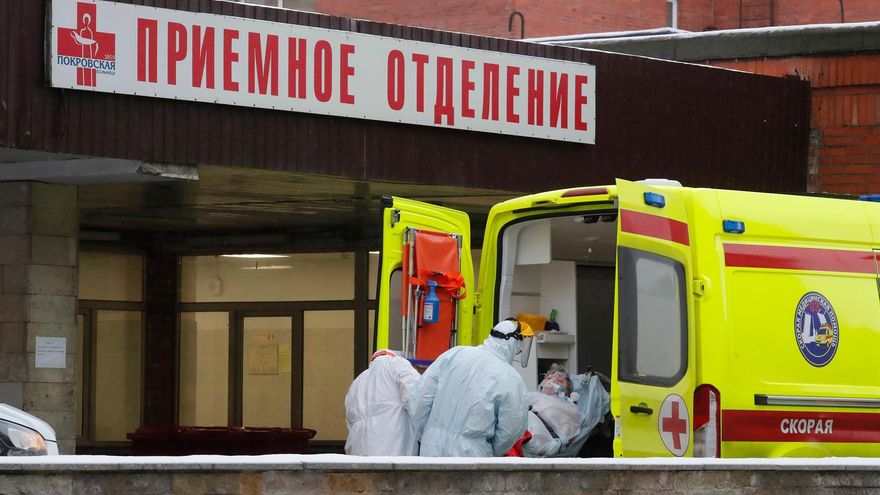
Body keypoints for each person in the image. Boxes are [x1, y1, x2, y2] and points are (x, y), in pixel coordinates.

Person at [408, 318, 534, 457]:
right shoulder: (510, 378)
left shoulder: (454, 354)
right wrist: (491, 450)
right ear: (512, 342)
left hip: (431, 447)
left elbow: (420, 399)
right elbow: (511, 429)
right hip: (472, 453)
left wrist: (427, 433)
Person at [344, 349, 421, 456]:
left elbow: (350, 423)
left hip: (359, 453)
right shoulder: (396, 364)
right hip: (392, 452)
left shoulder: (356, 383)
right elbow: (417, 398)